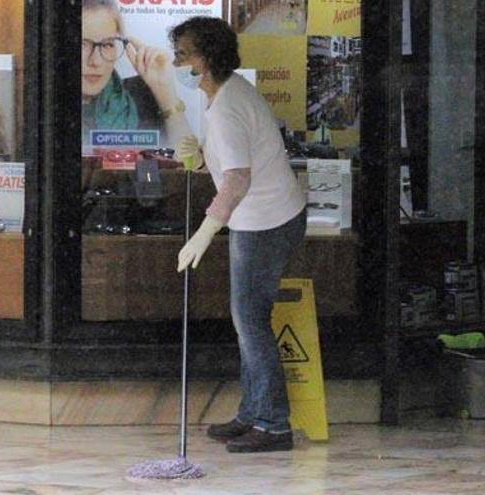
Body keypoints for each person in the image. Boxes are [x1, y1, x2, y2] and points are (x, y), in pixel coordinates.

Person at [170, 17, 307, 453]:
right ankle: (253, 414)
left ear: (206, 60)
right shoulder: (225, 95)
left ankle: (272, 425)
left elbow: (238, 179)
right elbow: (231, 162)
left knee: (250, 323)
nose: (177, 61)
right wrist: (199, 156)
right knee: (248, 320)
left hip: (264, 222)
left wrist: (205, 231)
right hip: (265, 218)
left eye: (183, 54)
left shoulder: (227, 105)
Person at [81, 0, 191, 148]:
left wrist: (166, 93)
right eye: (82, 44)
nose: (96, 61)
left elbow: (190, 164)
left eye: (107, 45)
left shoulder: (141, 95)